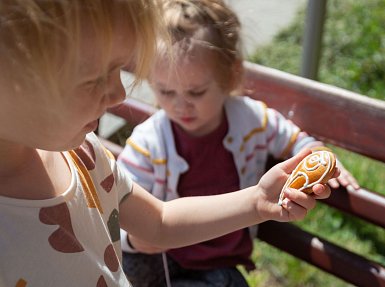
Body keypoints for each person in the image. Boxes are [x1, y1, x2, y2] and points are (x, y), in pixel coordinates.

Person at [0, 1, 334, 286]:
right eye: (94, 79)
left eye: (119, 70)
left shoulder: (85, 155)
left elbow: (159, 223)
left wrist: (257, 200)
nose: (118, 94)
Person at [117, 0, 359, 286]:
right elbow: (118, 207)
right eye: (165, 91)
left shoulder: (251, 119)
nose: (181, 105)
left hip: (219, 265)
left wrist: (317, 156)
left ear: (230, 75)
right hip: (162, 264)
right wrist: (133, 239)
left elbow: (293, 140)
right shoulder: (148, 143)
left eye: (196, 92)